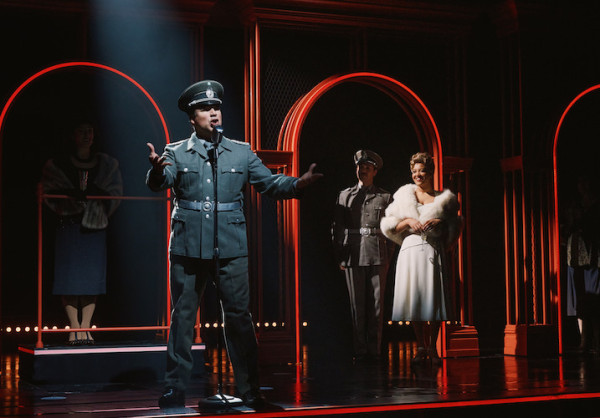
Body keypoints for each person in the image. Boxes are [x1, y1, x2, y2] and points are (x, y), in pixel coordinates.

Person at [146, 80, 322, 409]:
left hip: (230, 247)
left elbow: (269, 183)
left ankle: (250, 392)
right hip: (187, 248)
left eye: (216, 107)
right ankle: (175, 389)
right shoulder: (175, 151)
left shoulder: (241, 151)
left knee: (239, 318)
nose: (212, 112)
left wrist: (299, 184)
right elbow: (163, 181)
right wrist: (156, 172)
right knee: (183, 318)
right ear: (192, 117)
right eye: (204, 109)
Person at [41, 118, 123, 345]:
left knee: (90, 278)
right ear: (73, 135)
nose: (87, 135)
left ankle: (85, 326)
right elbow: (49, 192)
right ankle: (74, 326)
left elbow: (115, 192)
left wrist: (98, 200)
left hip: (95, 226)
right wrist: (70, 199)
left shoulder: (106, 164)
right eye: (81, 131)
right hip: (68, 227)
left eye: (90, 131)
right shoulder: (58, 164)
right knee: (69, 279)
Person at [380, 152, 461, 364]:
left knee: (432, 299)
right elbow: (390, 227)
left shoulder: (444, 200)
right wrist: (407, 222)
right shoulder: (404, 196)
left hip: (433, 250)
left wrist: (439, 223)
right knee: (414, 300)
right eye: (414, 171)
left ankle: (433, 347)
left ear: (431, 172)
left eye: (422, 170)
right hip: (410, 250)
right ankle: (421, 346)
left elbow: (454, 227)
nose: (418, 175)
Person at [331, 150, 392, 362]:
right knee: (357, 305)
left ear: (375, 171)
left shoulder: (385, 196)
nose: (363, 170)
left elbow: (391, 230)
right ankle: (360, 349)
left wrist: (388, 256)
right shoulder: (344, 195)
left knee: (376, 305)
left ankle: (374, 350)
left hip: (377, 253)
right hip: (353, 254)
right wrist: (340, 256)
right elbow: (337, 228)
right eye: (360, 166)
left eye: (367, 167)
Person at [564, 173, 600, 355]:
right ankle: (584, 341)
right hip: (577, 256)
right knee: (581, 300)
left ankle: (594, 341)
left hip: (593, 257)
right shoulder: (575, 206)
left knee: (594, 298)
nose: (581, 186)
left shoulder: (594, 207)